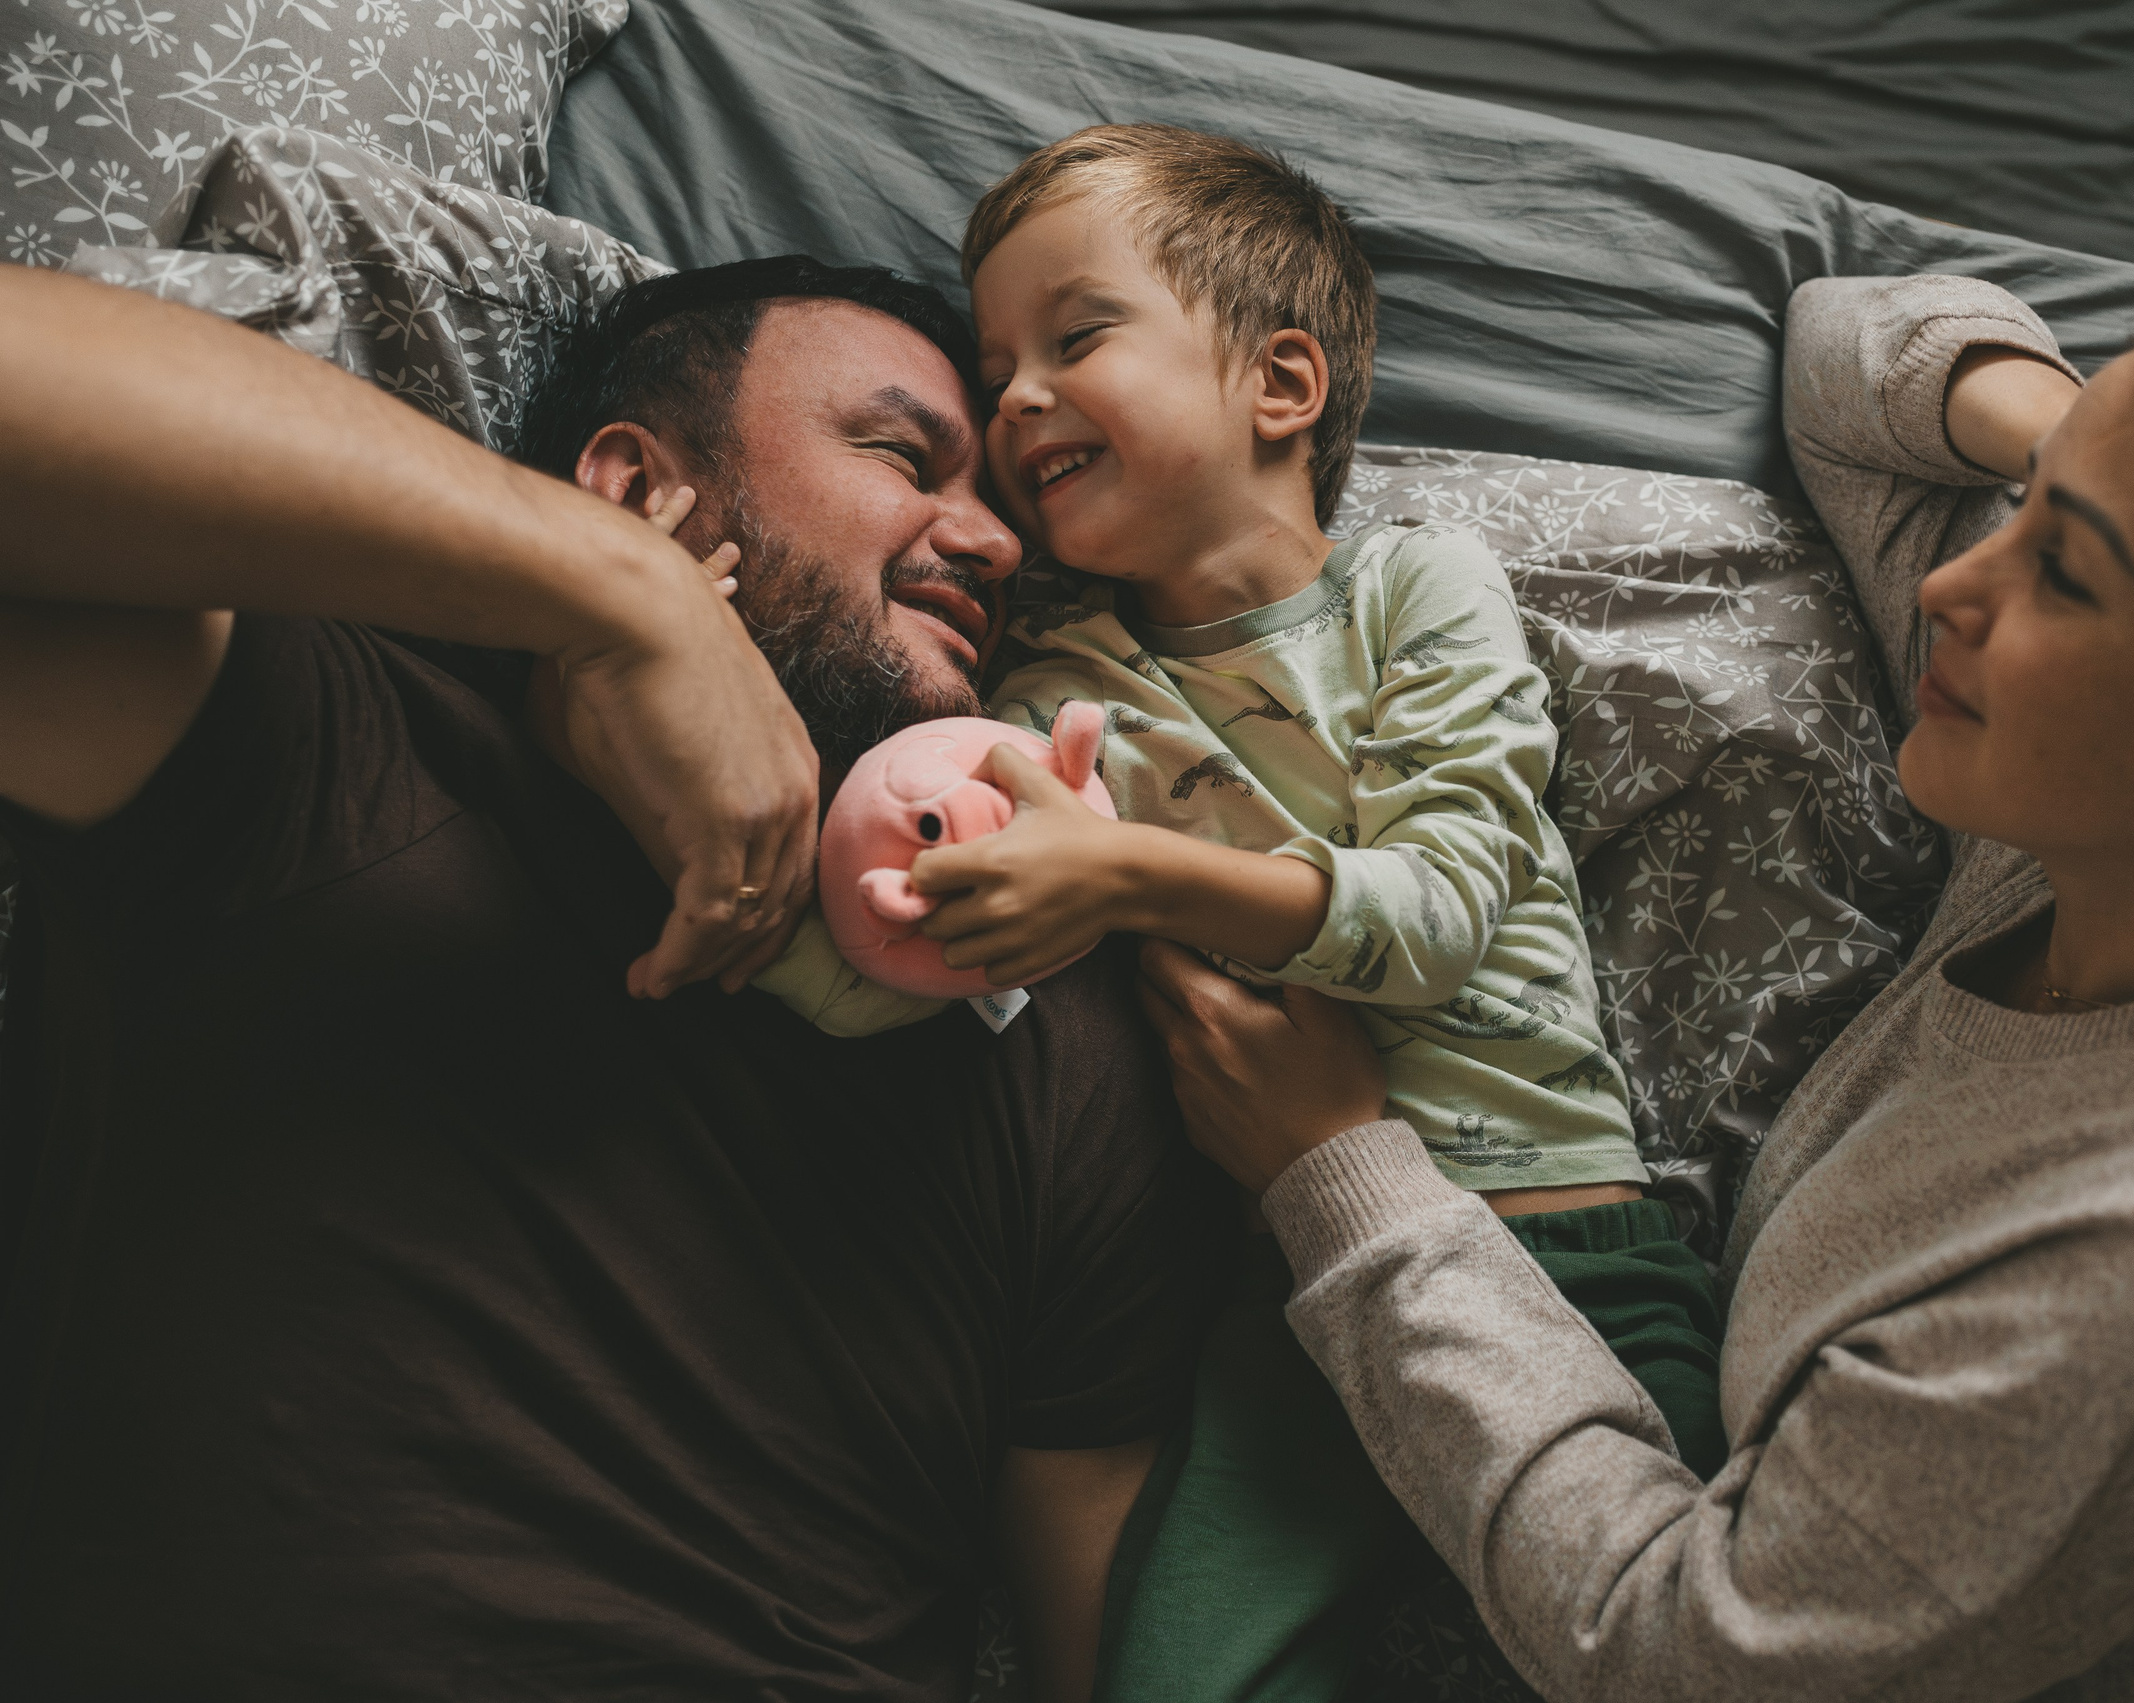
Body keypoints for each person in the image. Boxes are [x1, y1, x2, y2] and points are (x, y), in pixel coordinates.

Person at [1136, 268, 2134, 1699]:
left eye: (2067, 569)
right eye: (2030, 502)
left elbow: (1681, 1654)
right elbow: (1842, 361)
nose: (1954, 586)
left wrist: (1343, 1176)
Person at [0, 256, 1224, 1703]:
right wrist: (621, 593)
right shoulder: (319, 745)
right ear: (636, 483)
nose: (1000, 545)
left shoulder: (1046, 1023)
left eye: (1006, 506)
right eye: (905, 457)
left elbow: (1120, 1655)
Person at [892, 124, 1721, 1703]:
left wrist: (1127, 874)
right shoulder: (1056, 685)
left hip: (1569, 1253)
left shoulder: (1419, 588)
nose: (1014, 403)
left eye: (1076, 338)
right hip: (1284, 1291)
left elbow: (1436, 917)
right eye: (994, 372)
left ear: (1280, 385)